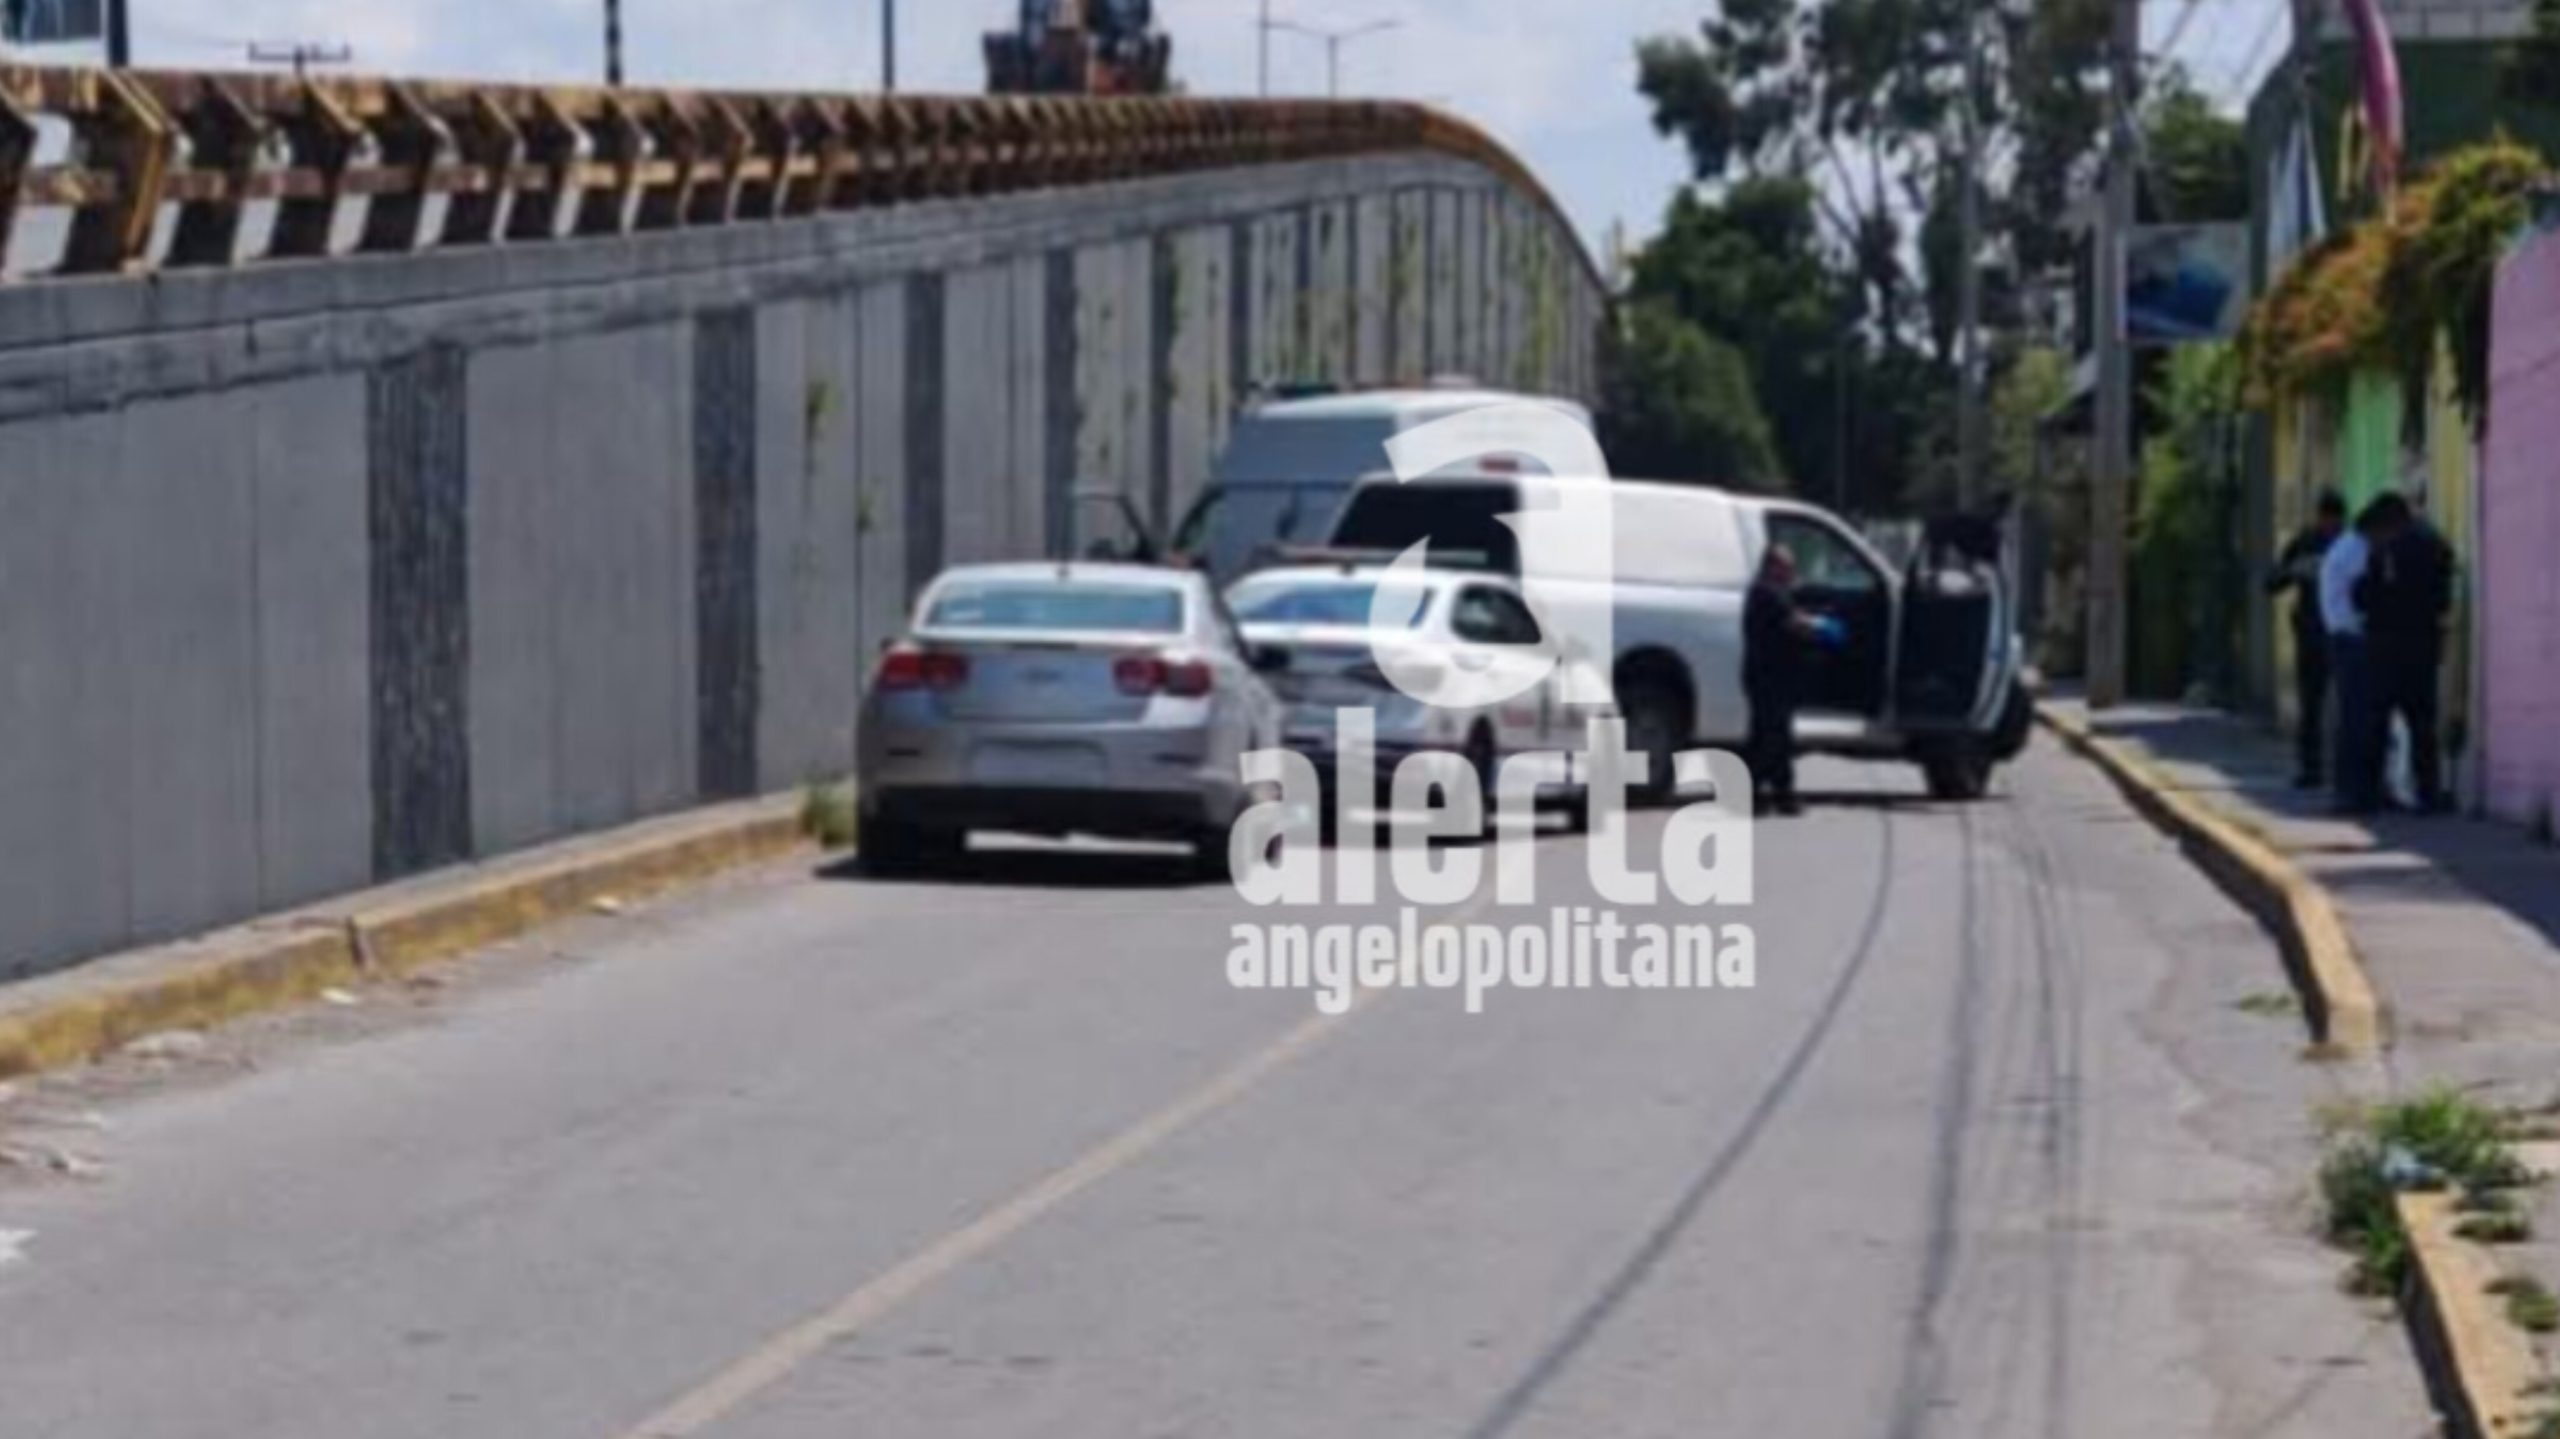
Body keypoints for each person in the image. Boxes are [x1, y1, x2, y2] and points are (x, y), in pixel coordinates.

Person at [2362, 494, 2455, 813]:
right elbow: (2444, 592)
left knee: (2377, 721)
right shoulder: (2434, 544)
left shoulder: (2385, 551)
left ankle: (2371, 791)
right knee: (2422, 724)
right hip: (2423, 645)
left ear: (2389, 523)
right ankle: (2427, 793)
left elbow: (2366, 594)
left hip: (2386, 647)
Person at [1743, 545, 1837, 817]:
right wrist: (1822, 627)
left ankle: (1778, 795)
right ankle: (1765, 796)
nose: (1790, 572)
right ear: (1772, 566)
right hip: (1768, 677)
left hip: (1771, 676)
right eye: (1786, 567)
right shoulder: (1766, 593)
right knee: (1769, 738)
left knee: (1774, 737)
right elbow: (1794, 622)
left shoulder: (1769, 591)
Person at [2268, 491, 2347, 788]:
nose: (2330, 527)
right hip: (2311, 634)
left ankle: (2339, 770)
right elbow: (2272, 582)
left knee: (2345, 705)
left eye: (2335, 522)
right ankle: (2311, 769)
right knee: (2311, 705)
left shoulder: (2348, 545)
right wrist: (2296, 570)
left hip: (2339, 633)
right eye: (2327, 521)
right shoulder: (2305, 541)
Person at [2319, 501, 2379, 815]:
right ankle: (2352, 791)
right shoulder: (2356, 551)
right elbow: (2364, 593)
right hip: (2352, 639)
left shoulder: (2343, 547)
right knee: (2357, 718)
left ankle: (2355, 790)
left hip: (2342, 637)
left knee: (2354, 716)